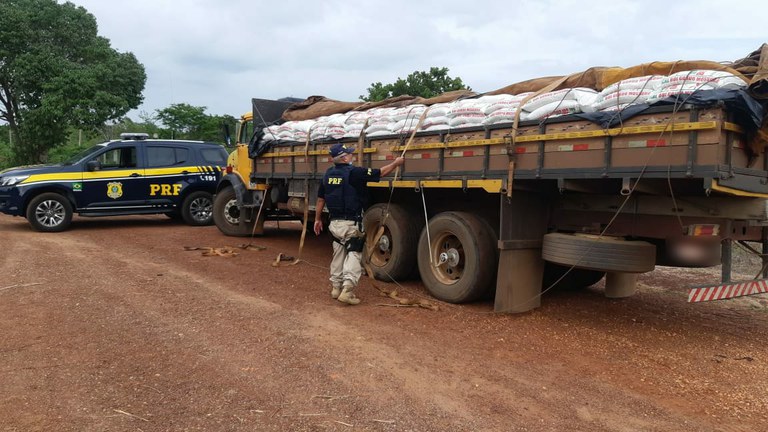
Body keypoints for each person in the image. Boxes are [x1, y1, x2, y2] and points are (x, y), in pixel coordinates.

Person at [314, 143, 405, 305]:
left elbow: (321, 199)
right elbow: (381, 173)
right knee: (354, 254)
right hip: (351, 222)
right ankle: (347, 290)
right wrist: (396, 163)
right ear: (343, 157)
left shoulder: (327, 174)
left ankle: (336, 288)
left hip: (334, 224)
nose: (352, 156)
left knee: (338, 253)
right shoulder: (355, 173)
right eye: (349, 154)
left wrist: (317, 219)